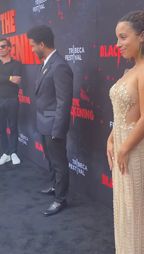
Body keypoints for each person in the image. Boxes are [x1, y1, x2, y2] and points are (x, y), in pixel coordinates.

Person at [107, 11, 144, 254]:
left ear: (141, 36)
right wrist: (111, 139)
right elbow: (120, 114)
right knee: (125, 213)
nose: (118, 44)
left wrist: (124, 147)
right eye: (117, 38)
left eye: (123, 37)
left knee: (138, 215)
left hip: (137, 152)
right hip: (123, 149)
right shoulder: (129, 71)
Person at [27, 26, 73, 216]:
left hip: (54, 125)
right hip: (44, 122)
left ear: (42, 44)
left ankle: (60, 199)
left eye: (32, 46)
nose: (31, 49)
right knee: (51, 161)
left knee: (59, 163)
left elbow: (64, 102)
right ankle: (55, 187)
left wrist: (57, 130)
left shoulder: (59, 66)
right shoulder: (46, 63)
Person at [0, 38, 22, 166]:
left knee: (13, 126)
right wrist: (8, 77)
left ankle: (13, 152)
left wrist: (3, 79)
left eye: (3, 46)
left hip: (12, 99)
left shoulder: (17, 64)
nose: (1, 49)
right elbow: (12, 79)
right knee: (1, 128)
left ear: (9, 48)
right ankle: (6, 153)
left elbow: (17, 80)